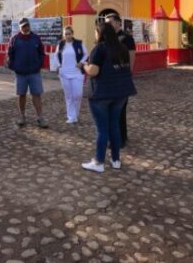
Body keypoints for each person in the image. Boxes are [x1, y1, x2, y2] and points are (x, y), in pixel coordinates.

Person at [81, 23, 137, 173]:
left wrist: (84, 66)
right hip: (121, 93)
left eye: (96, 32)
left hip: (102, 94)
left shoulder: (99, 48)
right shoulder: (122, 48)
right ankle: (115, 160)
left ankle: (99, 162)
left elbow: (93, 71)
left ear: (100, 33)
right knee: (114, 126)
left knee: (102, 129)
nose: (95, 35)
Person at [6, 17, 48, 128]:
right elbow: (10, 54)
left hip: (34, 73)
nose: (26, 28)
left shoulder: (36, 38)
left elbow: (41, 53)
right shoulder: (15, 39)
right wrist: (14, 67)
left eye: (27, 25)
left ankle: (40, 117)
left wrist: (39, 65)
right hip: (20, 74)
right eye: (23, 26)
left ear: (29, 25)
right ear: (20, 27)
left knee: (37, 95)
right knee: (21, 95)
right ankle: (22, 116)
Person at [104, 13, 135, 148]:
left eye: (110, 22)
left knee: (120, 109)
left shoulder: (127, 39)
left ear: (118, 23)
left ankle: (121, 138)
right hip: (109, 78)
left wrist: (128, 75)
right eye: (106, 23)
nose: (108, 25)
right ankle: (116, 136)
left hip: (122, 78)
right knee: (110, 109)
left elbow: (131, 58)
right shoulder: (106, 38)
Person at [56, 26, 88, 124]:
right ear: (63, 35)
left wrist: (81, 62)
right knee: (69, 96)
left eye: (69, 34)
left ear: (72, 34)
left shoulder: (79, 43)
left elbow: (86, 54)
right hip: (64, 73)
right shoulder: (61, 44)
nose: (68, 36)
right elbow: (56, 55)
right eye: (66, 34)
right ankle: (71, 116)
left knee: (78, 94)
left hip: (77, 72)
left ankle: (76, 114)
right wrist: (59, 66)